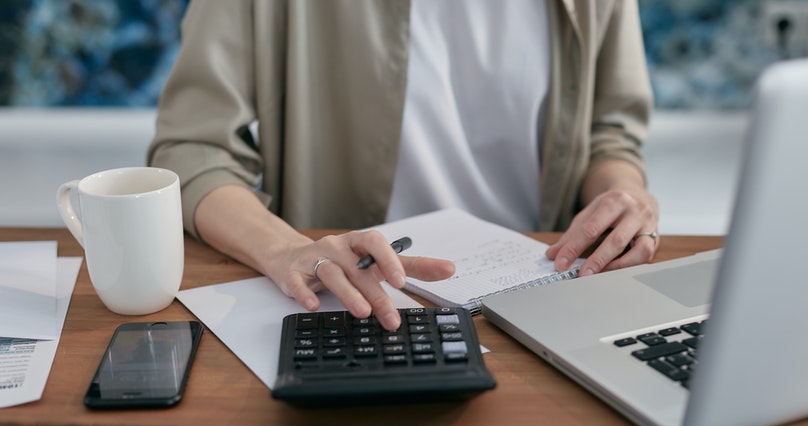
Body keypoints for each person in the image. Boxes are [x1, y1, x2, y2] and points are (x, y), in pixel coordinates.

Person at [148, 0, 659, 331]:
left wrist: (622, 194)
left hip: (544, 294)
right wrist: (287, 251)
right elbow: (194, 150)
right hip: (350, 302)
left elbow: (609, 133)